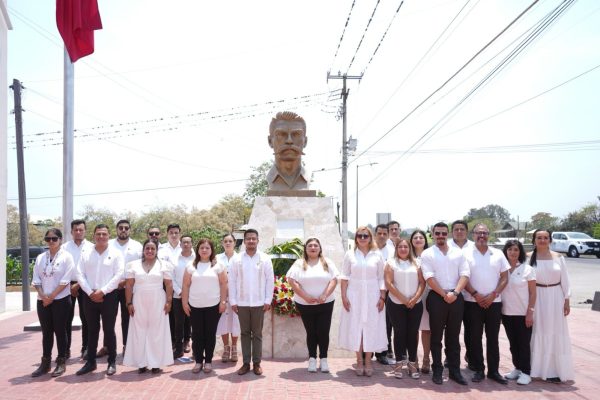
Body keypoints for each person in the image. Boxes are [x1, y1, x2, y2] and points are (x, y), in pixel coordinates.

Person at [420, 222, 470, 385]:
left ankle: (455, 371)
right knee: (436, 336)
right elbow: (429, 277)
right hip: (436, 297)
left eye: (443, 233)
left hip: (456, 297)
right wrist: (444, 294)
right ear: (432, 235)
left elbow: (465, 274)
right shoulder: (427, 254)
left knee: (454, 337)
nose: (440, 236)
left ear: (448, 234)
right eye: (437, 233)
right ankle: (437, 370)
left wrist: (454, 293)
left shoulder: (458, 253)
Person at [463, 223, 510, 384]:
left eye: (484, 233)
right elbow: (462, 277)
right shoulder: (465, 254)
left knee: (493, 338)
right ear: (473, 235)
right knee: (475, 338)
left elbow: (505, 277)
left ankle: (494, 371)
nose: (481, 236)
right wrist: (475, 294)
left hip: (494, 303)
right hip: (472, 302)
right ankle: (478, 369)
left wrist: (494, 294)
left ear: (488, 235)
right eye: (478, 233)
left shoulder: (497, 253)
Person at [338, 226, 388, 377]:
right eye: (359, 235)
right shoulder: (350, 254)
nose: (362, 238)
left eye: (365, 236)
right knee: (356, 327)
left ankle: (368, 360)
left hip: (373, 295)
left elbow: (381, 277)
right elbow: (344, 276)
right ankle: (359, 360)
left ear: (370, 237)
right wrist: (344, 296)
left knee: (371, 327)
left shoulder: (377, 254)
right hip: (354, 295)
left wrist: (382, 297)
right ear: (356, 238)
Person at [75, 224, 124, 376]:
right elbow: (79, 274)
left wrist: (102, 291)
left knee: (109, 330)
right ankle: (90, 362)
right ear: (94, 235)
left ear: (109, 235)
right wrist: (90, 292)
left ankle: (112, 362)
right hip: (89, 296)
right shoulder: (85, 253)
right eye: (98, 234)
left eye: (104, 234)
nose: (101, 236)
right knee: (91, 329)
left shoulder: (116, 253)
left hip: (109, 296)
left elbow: (119, 275)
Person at [529, 229, 575, 383]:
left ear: (550, 240)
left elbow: (565, 279)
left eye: (545, 238)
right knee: (537, 330)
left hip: (556, 297)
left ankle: (554, 369)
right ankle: (534, 368)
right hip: (536, 297)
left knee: (554, 331)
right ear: (534, 240)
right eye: (539, 238)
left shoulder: (559, 257)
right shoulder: (528, 257)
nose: (542, 240)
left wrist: (566, 299)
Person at [287, 238, 339, 373]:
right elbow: (292, 280)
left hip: (325, 303)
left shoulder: (327, 262)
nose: (313, 247)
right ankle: (312, 359)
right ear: (305, 248)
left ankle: (324, 360)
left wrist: (325, 295)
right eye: (310, 245)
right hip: (305, 304)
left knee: (323, 331)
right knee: (311, 332)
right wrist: (305, 296)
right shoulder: (299, 263)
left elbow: (334, 280)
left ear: (320, 248)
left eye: (316, 245)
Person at [123, 239, 174, 373]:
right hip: (138, 299)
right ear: (143, 250)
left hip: (158, 299)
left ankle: (156, 363)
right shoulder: (132, 265)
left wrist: (169, 302)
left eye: (153, 248)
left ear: (157, 250)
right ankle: (141, 362)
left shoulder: (165, 265)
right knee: (139, 331)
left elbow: (169, 284)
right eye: (147, 248)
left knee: (156, 331)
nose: (150, 251)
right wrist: (129, 302)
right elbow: (129, 285)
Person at [229, 229, 275, 376]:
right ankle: (245, 363)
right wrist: (233, 301)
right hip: (241, 303)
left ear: (258, 240)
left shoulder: (265, 258)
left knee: (257, 334)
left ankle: (257, 363)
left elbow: (270, 280)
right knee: (244, 333)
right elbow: (232, 281)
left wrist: (268, 299)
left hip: (259, 302)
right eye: (248, 239)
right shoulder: (236, 259)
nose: (251, 241)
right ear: (244, 241)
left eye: (253, 239)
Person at [31, 228, 75, 378]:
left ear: (60, 240)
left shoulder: (67, 257)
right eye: (48, 239)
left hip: (61, 300)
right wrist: (43, 296)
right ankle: (45, 362)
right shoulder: (40, 257)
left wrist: (52, 296)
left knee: (60, 331)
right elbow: (36, 279)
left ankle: (61, 361)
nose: (51, 241)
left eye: (54, 238)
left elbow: (66, 280)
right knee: (46, 332)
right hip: (42, 301)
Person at [182, 239, 228, 374]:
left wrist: (223, 302)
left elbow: (224, 284)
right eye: (202, 247)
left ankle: (208, 361)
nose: (204, 250)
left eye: (207, 248)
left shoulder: (218, 266)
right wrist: (184, 303)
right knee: (196, 335)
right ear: (198, 250)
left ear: (211, 250)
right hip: (194, 306)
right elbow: (185, 285)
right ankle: (198, 361)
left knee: (209, 334)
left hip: (213, 306)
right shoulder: (191, 266)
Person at [385, 238, 425, 379]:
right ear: (397, 249)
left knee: (412, 333)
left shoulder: (417, 263)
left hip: (415, 303)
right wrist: (403, 298)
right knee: (399, 332)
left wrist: (414, 298)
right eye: (400, 247)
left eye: (405, 247)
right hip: (396, 303)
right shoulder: (391, 263)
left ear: (409, 248)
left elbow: (422, 283)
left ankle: (412, 363)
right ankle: (398, 363)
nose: (403, 249)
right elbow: (389, 283)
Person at [501, 240, 536, 385]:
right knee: (512, 343)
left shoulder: (528, 270)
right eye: (509, 249)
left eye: (516, 250)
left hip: (522, 313)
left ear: (520, 252)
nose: (512, 252)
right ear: (505, 252)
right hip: (506, 313)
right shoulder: (502, 269)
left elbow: (533, 293)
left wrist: (530, 312)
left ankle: (526, 372)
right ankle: (517, 368)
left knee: (523, 343)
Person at [109, 219, 143, 354]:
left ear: (130, 230)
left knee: (127, 318)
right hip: (110, 287)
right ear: (116, 229)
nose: (123, 230)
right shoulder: (108, 244)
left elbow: (140, 266)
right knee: (109, 319)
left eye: (126, 228)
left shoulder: (137, 246)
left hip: (129, 287)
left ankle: (127, 346)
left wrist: (126, 281)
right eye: (121, 228)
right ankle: (108, 346)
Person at [62, 219, 94, 359]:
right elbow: (61, 269)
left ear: (85, 231)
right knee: (65, 319)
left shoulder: (92, 247)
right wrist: (69, 285)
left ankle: (86, 348)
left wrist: (79, 284)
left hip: (85, 285)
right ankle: (65, 349)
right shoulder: (64, 248)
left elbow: (91, 269)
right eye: (76, 230)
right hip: (66, 286)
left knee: (86, 318)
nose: (78, 232)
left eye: (81, 229)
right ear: (71, 232)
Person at [447, 219, 474, 370]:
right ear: (452, 232)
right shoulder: (446, 246)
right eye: (456, 229)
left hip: (470, 296)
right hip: (451, 296)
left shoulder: (474, 247)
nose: (459, 232)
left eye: (462, 229)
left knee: (471, 330)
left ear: (466, 231)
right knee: (451, 330)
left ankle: (470, 356)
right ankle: (449, 358)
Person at [266, 111, 310, 190]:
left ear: (305, 142)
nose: (289, 141)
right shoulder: (270, 178)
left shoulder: (307, 178)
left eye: (296, 134)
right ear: (270, 141)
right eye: (281, 134)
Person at [216, 233, 240, 363]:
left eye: (230, 241)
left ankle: (234, 348)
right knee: (223, 322)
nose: (228, 243)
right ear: (222, 243)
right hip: (222, 295)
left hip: (237, 296)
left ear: (235, 243)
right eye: (225, 241)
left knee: (236, 322)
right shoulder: (217, 258)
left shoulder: (240, 258)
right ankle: (226, 348)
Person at [373, 224, 395, 366]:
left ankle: (382, 354)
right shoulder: (368, 247)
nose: (382, 236)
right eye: (379, 233)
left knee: (385, 324)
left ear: (388, 235)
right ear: (375, 234)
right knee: (367, 321)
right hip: (369, 289)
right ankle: (365, 353)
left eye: (384, 233)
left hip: (387, 291)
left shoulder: (392, 249)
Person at [411, 229, 431, 374]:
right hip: (411, 296)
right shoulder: (407, 256)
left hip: (428, 295)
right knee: (413, 330)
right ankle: (414, 359)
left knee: (427, 329)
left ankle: (426, 359)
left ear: (425, 240)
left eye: (421, 237)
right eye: (415, 237)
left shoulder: (430, 256)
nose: (418, 239)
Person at [172, 235, 194, 359]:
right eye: (184, 242)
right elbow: (171, 278)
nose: (186, 244)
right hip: (177, 296)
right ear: (180, 244)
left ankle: (196, 349)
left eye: (188, 242)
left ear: (191, 244)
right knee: (178, 324)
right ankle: (178, 349)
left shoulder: (197, 259)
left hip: (194, 297)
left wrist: (190, 293)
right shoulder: (174, 259)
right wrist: (180, 292)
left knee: (194, 324)